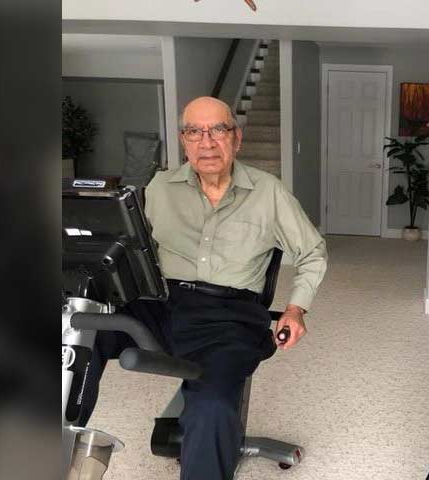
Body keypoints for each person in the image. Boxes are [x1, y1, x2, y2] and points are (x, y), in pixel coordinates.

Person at [80, 96, 327, 480]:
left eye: (218, 130)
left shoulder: (268, 192)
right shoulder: (159, 187)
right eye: (195, 131)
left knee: (211, 405)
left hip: (229, 317)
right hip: (160, 304)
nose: (206, 142)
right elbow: (130, 247)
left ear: (237, 138)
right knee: (78, 332)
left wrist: (296, 309)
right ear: (184, 140)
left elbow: (312, 251)